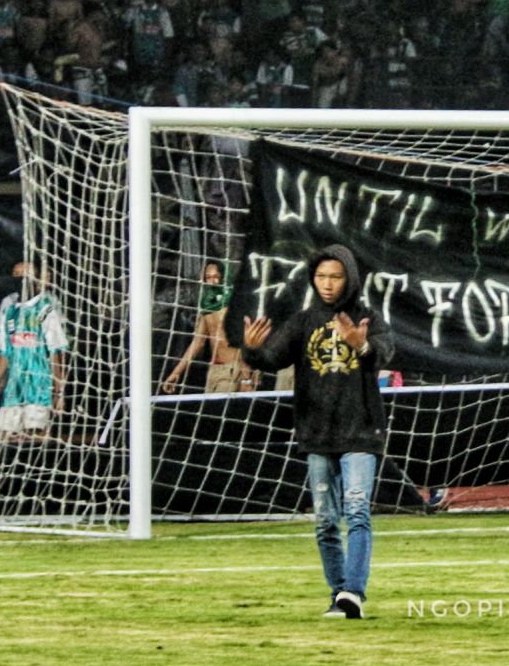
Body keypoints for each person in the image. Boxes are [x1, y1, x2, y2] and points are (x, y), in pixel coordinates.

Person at [241, 245, 394, 620]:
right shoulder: (303, 321)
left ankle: (353, 593)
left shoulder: (368, 318)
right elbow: (272, 357)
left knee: (357, 511)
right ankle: (338, 593)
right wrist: (251, 352)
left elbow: (385, 353)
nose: (327, 284)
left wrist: (364, 346)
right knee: (326, 521)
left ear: (350, 279)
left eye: (335, 277)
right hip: (316, 433)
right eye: (321, 276)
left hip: (359, 431)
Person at [0, 261, 68, 437]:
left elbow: (55, 353)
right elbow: (4, 355)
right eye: (16, 275)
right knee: (9, 438)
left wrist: (59, 392)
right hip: (14, 389)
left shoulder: (45, 309)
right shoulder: (10, 311)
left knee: (37, 437)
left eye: (24, 276)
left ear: (35, 281)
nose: (19, 280)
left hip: (39, 388)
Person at [160, 261, 255, 395]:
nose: (212, 281)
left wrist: (246, 378)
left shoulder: (235, 303)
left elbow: (244, 341)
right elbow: (198, 343)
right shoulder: (206, 305)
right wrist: (176, 373)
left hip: (235, 370)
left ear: (223, 276)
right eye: (208, 277)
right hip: (216, 371)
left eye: (215, 276)